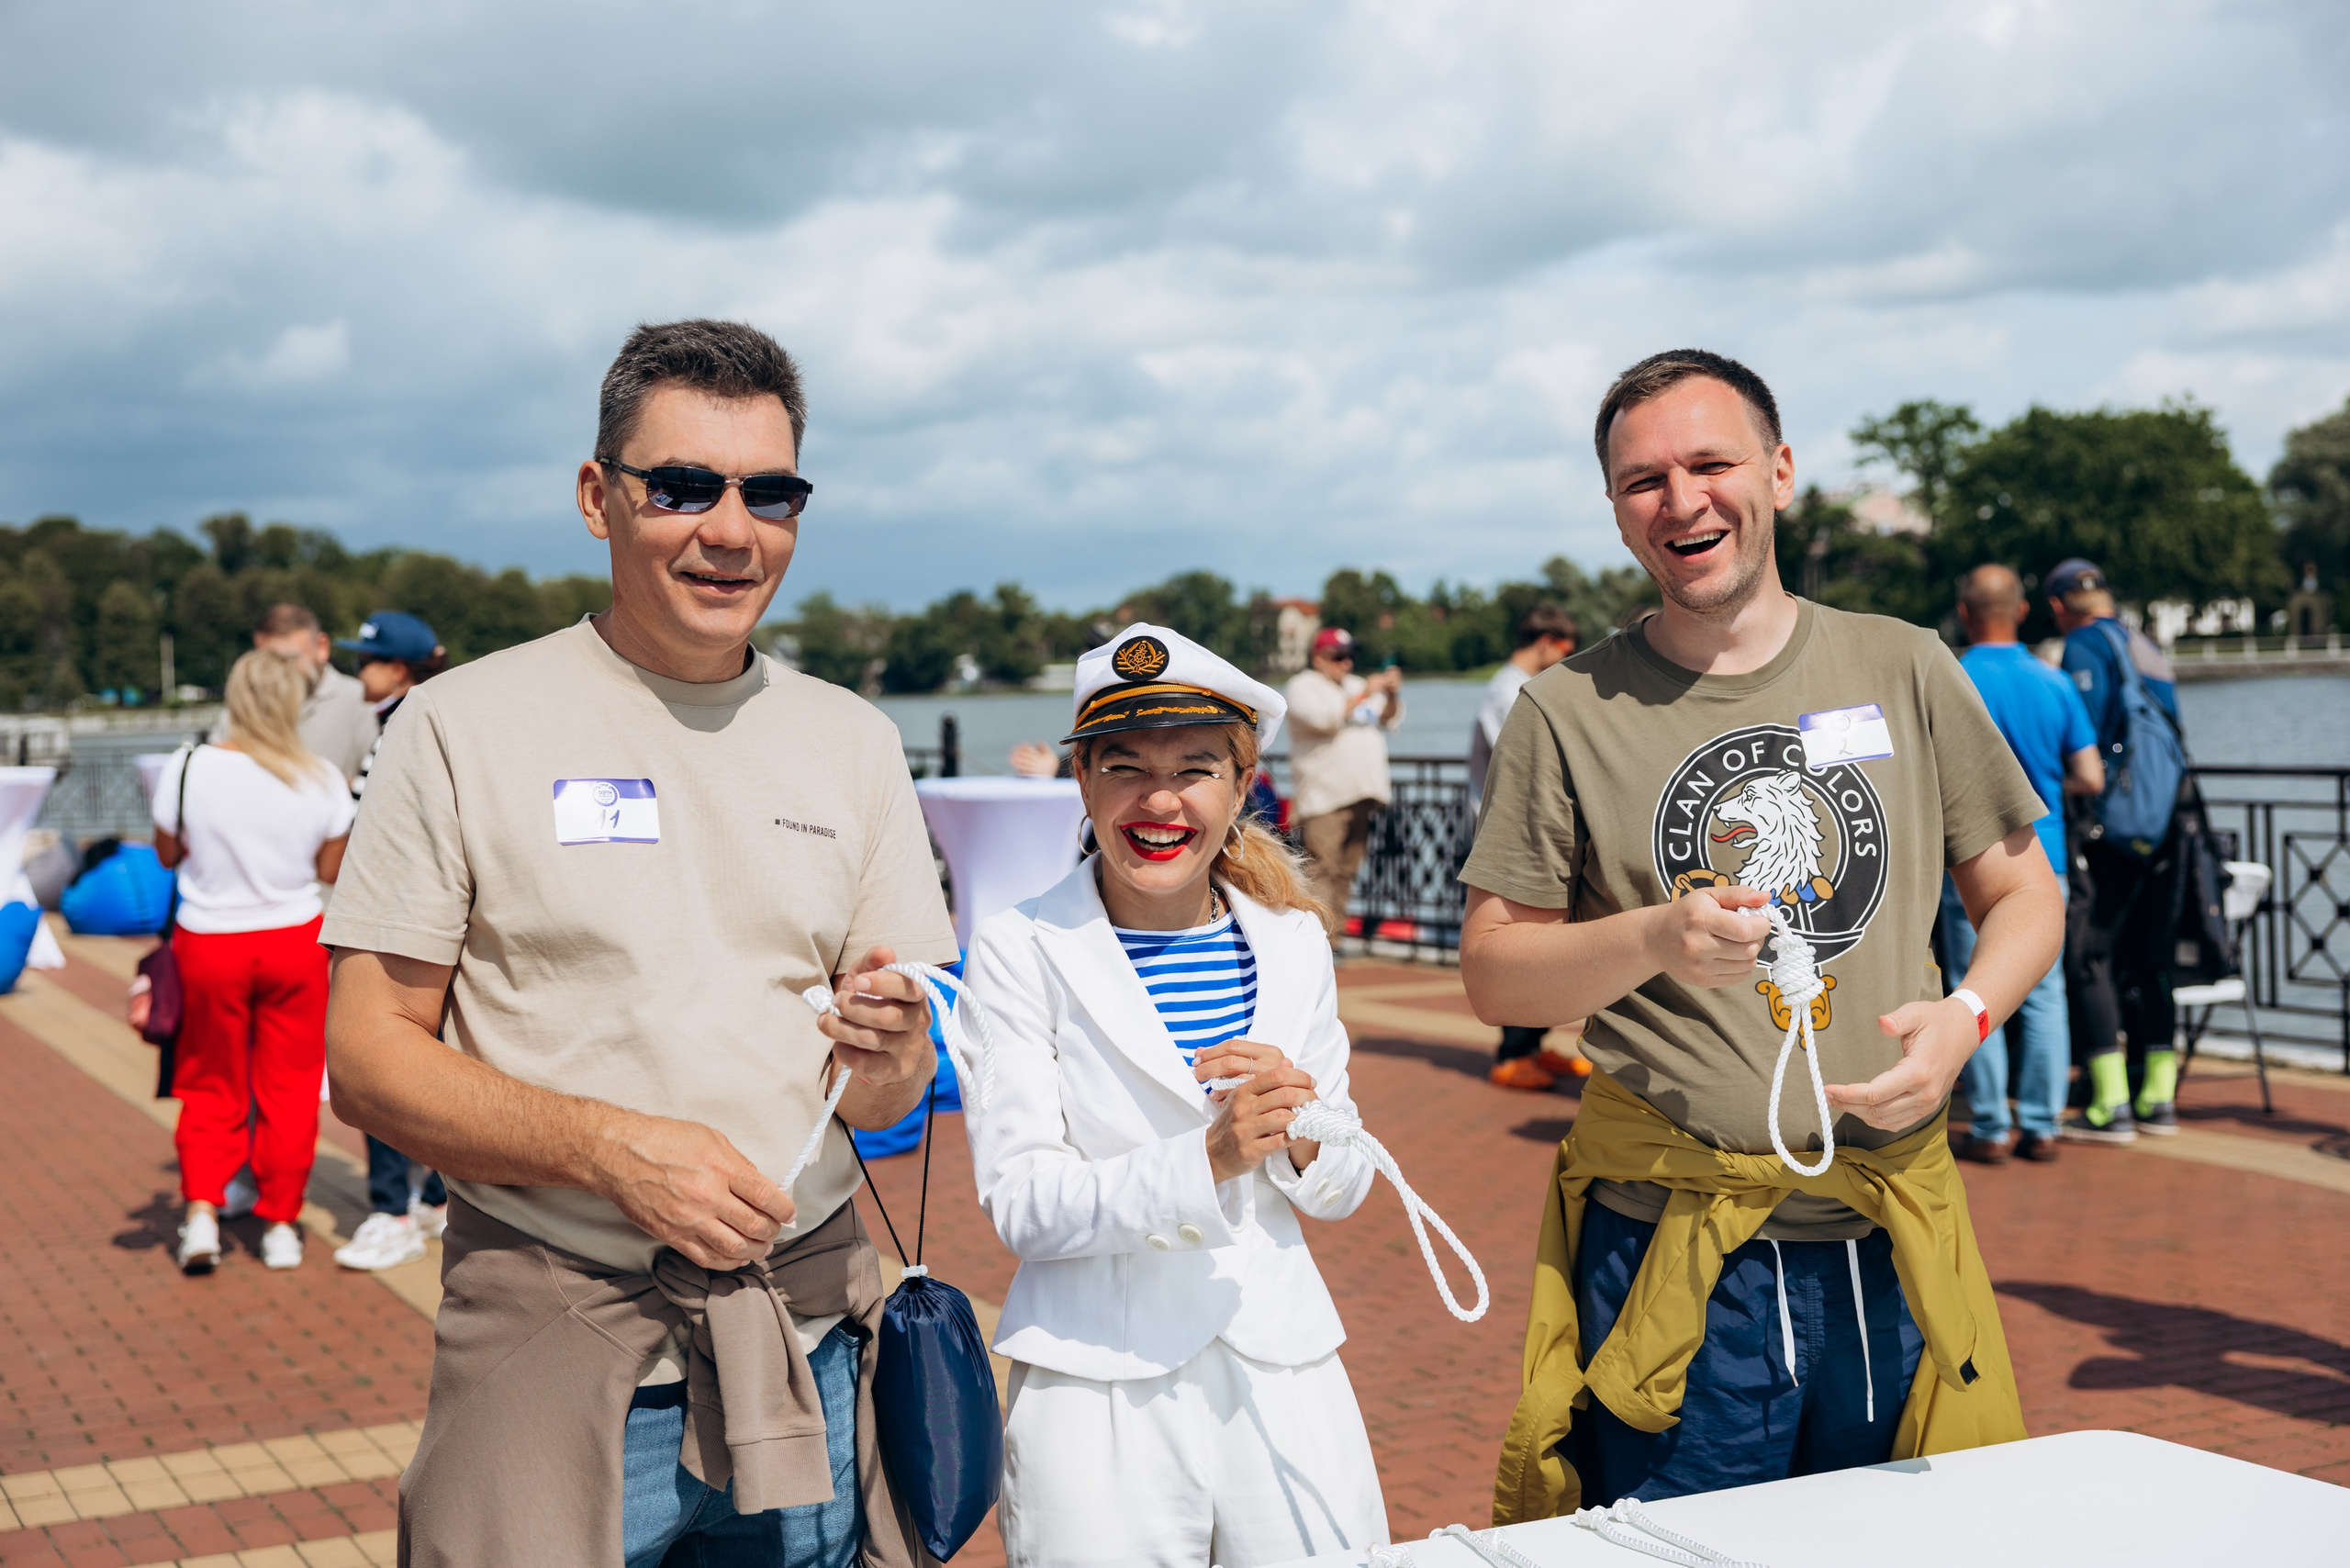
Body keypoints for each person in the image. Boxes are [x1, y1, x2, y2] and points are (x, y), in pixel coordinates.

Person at [320, 319, 957, 1568]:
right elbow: (368, 1057)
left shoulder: (853, 741)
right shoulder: (460, 725)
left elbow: (898, 1074)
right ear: (598, 497)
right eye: (683, 486)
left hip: (811, 1350)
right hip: (563, 1341)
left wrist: (891, 1054)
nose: (731, 529)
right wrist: (610, 1149)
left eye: (770, 493)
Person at [1464, 350, 2062, 1516]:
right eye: (1643, 479)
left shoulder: (1902, 663)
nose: (1680, 500)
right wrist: (1652, 938)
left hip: (1888, 1243)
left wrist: (1964, 1020)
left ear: (1779, 473)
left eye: (1709, 462)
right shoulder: (1565, 709)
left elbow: (2024, 894)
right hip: (1674, 1260)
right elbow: (1493, 972)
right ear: (1617, 510)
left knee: (1901, 1542)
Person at [964, 624, 1389, 1568]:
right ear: (1080, 781)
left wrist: (1306, 1135)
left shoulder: (1291, 941)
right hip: (1098, 1387)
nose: (1159, 801)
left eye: (1196, 768)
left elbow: (1343, 1183)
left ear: (1243, 786)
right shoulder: (1017, 949)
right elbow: (1023, 1203)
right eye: (1123, 767)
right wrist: (1211, 1157)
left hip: (1282, 1363)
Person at [156, 649, 356, 1274]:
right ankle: (279, 1224)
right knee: (290, 1090)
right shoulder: (321, 777)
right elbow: (330, 871)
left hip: (209, 940)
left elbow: (166, 854)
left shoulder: (188, 766)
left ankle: (202, 1216)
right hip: (293, 939)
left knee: (210, 1081)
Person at [1943, 566, 2103, 1165]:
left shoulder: (1950, 680)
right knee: (2044, 990)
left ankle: (1988, 1126)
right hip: (2045, 860)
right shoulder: (2053, 682)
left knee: (1972, 986)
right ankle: (2041, 1124)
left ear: (1964, 613)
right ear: (2022, 609)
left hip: (1963, 861)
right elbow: (2089, 774)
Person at [2047, 557, 2188, 1144]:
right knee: (2152, 958)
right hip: (2168, 826)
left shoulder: (2084, 646)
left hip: (2113, 831)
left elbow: (2086, 749)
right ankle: (2159, 1096)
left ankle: (2109, 1103)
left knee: (2091, 955)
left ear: (2059, 607)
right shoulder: (2145, 646)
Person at [330, 611, 453, 1272]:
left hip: (398, 928)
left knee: (376, 1059)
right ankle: (433, 1195)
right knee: (435, 1059)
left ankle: (392, 1209)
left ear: (398, 670)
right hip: (427, 925)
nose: (358, 674)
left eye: (365, 662)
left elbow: (369, 836)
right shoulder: (424, 718)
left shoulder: (403, 727)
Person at [1469, 604, 1591, 1091]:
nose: (1567, 656)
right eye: (1564, 647)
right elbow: (1524, 760)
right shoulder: (1506, 691)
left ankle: (1536, 1046)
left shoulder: (1521, 688)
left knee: (1549, 945)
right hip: (1506, 839)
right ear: (1544, 641)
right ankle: (1512, 1054)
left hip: (1529, 835)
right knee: (1519, 946)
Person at [1283, 626, 1402, 937]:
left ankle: (1335, 941)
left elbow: (1389, 718)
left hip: (1363, 794)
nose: (1346, 664)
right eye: (1338, 657)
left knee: (1346, 873)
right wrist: (1366, 692)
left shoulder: (1356, 684)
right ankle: (1315, 942)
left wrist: (1391, 692)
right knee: (1321, 871)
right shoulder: (1302, 686)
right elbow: (1324, 718)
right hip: (1324, 798)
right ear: (1318, 658)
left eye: (1349, 656)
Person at [216, 604, 378, 787]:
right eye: (269, 660)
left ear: (322, 646)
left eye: (292, 658)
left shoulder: (363, 701)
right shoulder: (242, 707)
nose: (282, 671)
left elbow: (379, 784)